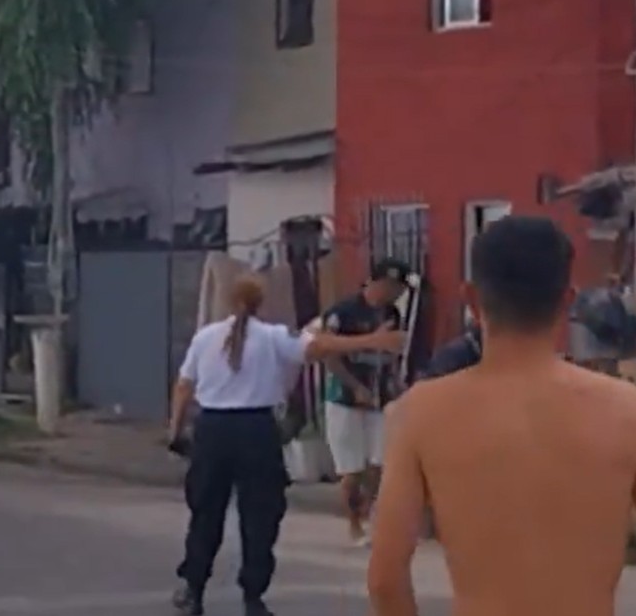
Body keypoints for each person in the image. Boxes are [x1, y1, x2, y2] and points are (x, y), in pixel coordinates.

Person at [367, 216, 636, 616]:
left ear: (472, 299)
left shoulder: (420, 413)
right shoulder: (625, 409)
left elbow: (386, 580)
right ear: (567, 300)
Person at [168, 275, 408, 616]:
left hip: (213, 430)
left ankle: (193, 588)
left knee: (206, 513)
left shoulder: (205, 337)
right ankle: (253, 596)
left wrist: (175, 430)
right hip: (257, 430)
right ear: (259, 303)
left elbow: (184, 386)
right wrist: (373, 340)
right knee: (260, 516)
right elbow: (319, 348)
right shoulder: (272, 337)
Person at [318, 259, 410, 546]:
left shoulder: (392, 314)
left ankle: (374, 518)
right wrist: (354, 386)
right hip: (345, 399)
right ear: (375, 282)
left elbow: (394, 353)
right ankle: (354, 524)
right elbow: (328, 354)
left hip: (379, 397)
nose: (395, 294)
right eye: (392, 286)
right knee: (352, 470)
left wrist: (396, 382)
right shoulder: (343, 313)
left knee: (379, 464)